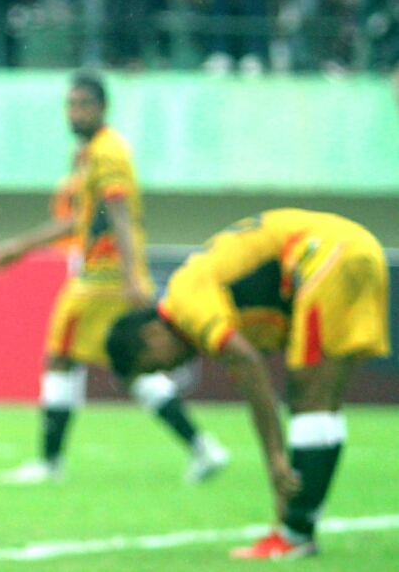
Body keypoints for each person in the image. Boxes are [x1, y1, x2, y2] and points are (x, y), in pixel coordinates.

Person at [106, 210, 391, 560]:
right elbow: (250, 362)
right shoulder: (221, 308)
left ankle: (294, 534)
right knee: (323, 397)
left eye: (154, 365)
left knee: (308, 392)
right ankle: (298, 530)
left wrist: (274, 456)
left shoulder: (184, 297)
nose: (170, 368)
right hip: (357, 248)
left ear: (152, 335)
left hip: (328, 254)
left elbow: (249, 362)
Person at [0, 71, 228, 484]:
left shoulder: (109, 153)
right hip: (108, 274)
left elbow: (120, 214)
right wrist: (20, 247)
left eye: (83, 104)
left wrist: (134, 275)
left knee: (61, 354)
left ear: (102, 108)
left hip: (105, 277)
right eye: (70, 104)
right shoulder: (87, 156)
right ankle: (202, 447)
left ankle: (50, 463)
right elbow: (79, 221)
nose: (74, 112)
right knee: (130, 367)